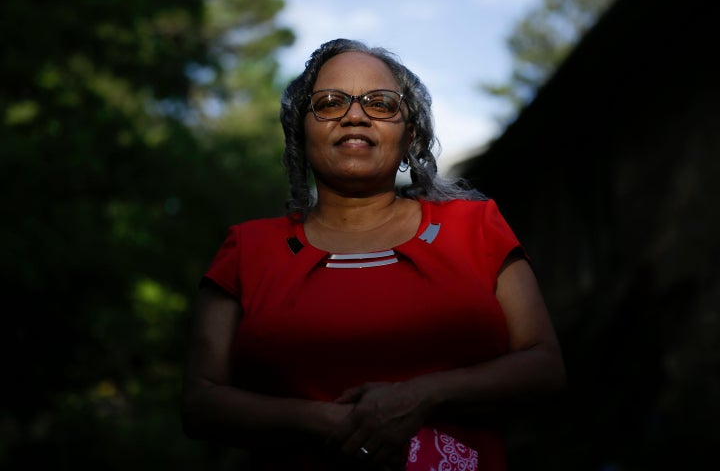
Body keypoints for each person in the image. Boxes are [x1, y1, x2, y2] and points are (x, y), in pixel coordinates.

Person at [181, 38, 566, 471]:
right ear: (300, 132)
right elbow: (200, 400)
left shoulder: (475, 228)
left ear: (410, 135)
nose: (355, 115)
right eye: (329, 102)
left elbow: (545, 366)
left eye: (380, 103)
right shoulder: (248, 250)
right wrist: (323, 420)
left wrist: (423, 394)